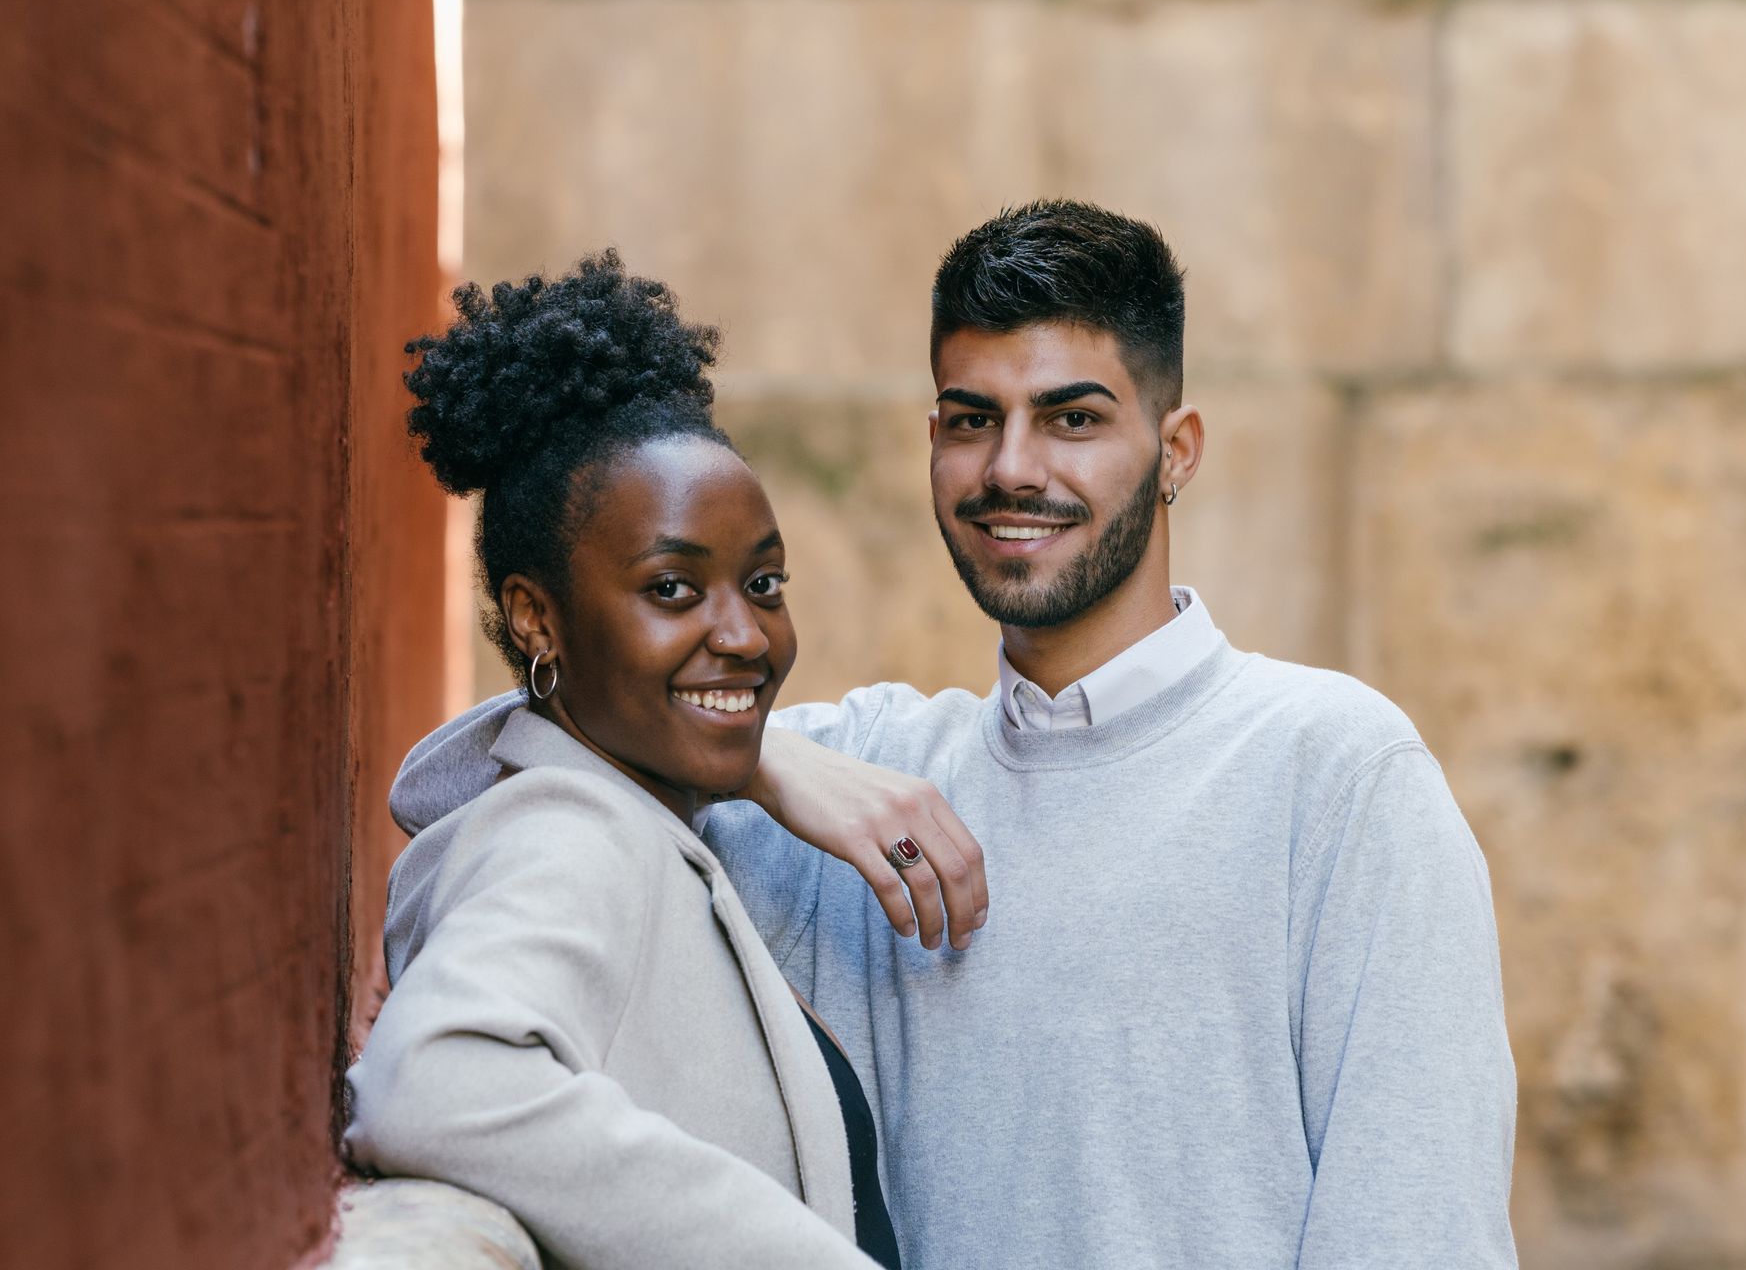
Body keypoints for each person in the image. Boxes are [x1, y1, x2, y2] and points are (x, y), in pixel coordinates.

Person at [398, 202, 1517, 1267]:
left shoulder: (1335, 770)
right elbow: (476, 777)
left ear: (1176, 450)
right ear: (933, 438)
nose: (1012, 467)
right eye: (974, 420)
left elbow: (1417, 1226)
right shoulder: (873, 776)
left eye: (1074, 418)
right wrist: (776, 763)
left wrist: (761, 753)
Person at [344, 253, 900, 1269]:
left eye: (764, 581)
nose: (746, 633)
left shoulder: (640, 815)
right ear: (536, 616)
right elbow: (429, 1076)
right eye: (674, 589)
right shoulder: (569, 830)